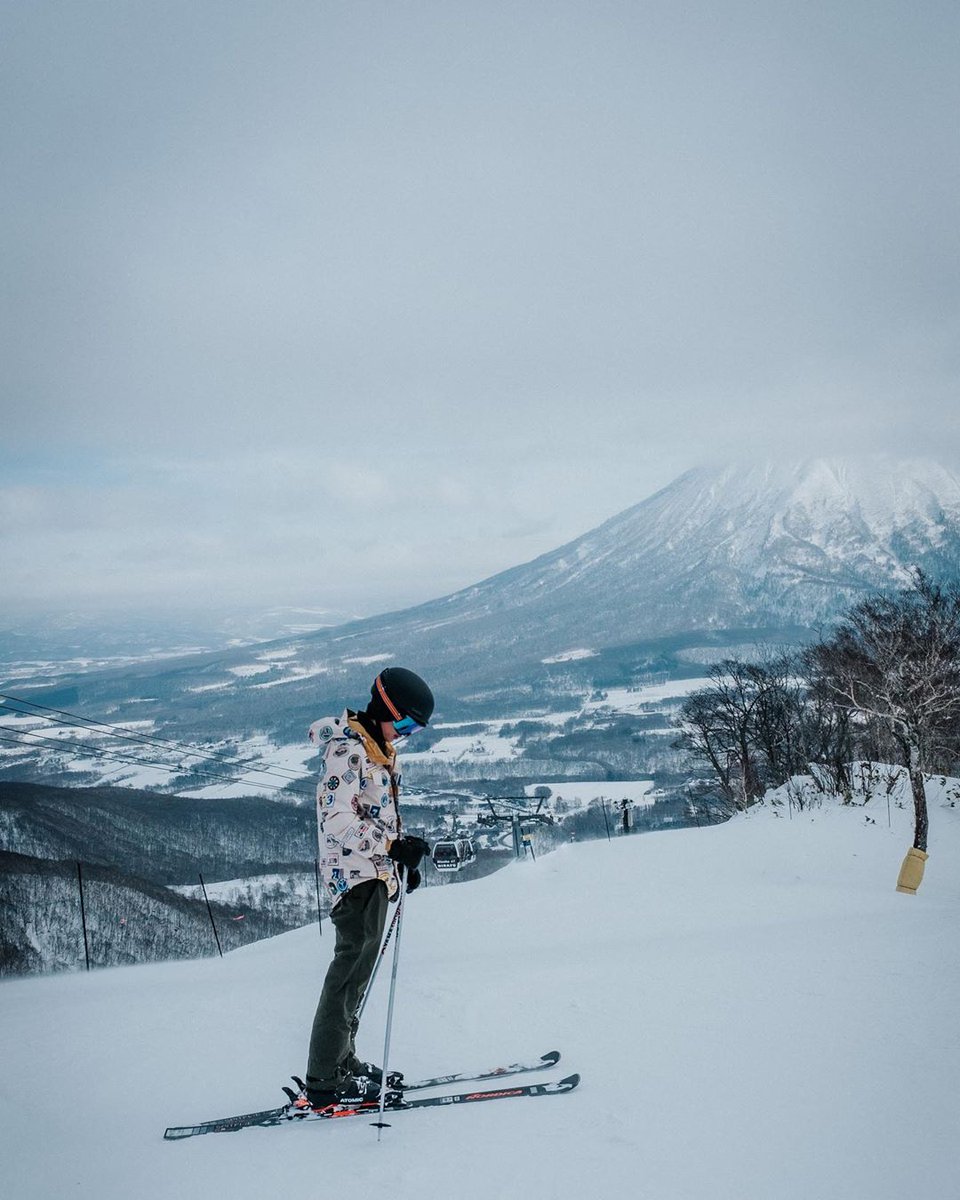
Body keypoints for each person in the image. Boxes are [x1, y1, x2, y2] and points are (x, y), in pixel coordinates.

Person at [292, 667, 434, 1113]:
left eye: (415, 729)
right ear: (386, 710)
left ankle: (342, 1060)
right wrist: (391, 846)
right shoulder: (348, 752)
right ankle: (324, 1080)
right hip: (352, 879)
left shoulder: (378, 749)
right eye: (406, 723)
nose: (407, 734)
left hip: (371, 875)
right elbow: (338, 820)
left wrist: (397, 858)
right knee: (347, 975)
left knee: (356, 979)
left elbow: (377, 815)